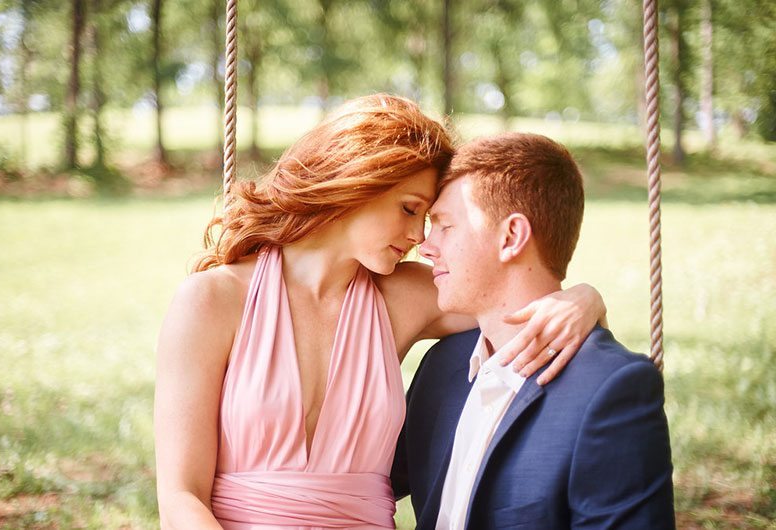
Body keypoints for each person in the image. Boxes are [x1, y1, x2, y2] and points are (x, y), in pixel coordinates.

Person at [154, 95, 607, 530]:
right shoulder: (212, 301)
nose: (418, 237)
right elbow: (180, 498)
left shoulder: (405, 298)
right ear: (358, 181)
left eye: (428, 219)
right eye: (409, 209)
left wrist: (585, 298)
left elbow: (517, 294)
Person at [391, 132, 675, 529]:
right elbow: (365, 482)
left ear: (511, 237)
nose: (425, 246)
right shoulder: (443, 365)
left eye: (445, 226)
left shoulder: (611, 391)